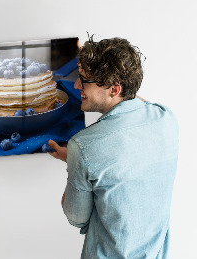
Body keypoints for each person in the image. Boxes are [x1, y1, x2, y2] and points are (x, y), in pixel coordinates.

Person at [48, 37, 179, 258]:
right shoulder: (166, 118)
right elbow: (132, 100)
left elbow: (76, 218)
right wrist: (95, 65)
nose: (77, 85)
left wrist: (76, 162)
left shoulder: (83, 146)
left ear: (114, 88)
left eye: (84, 80)